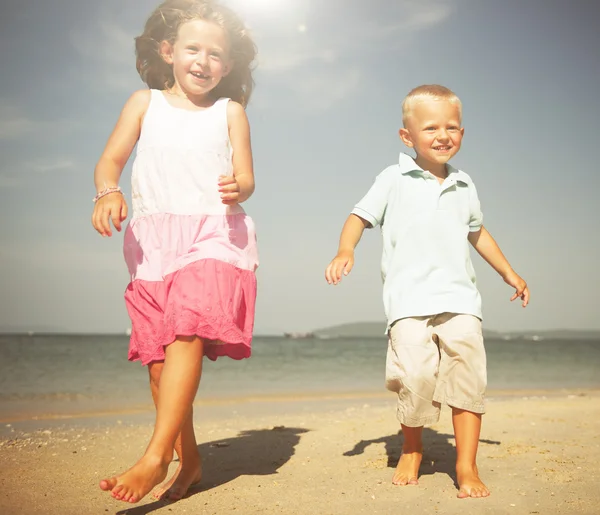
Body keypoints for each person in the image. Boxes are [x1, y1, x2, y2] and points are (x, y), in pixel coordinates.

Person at [324, 84, 529, 499]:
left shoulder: (465, 184)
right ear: (408, 137)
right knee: (415, 377)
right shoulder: (393, 177)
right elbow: (358, 216)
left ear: (462, 133)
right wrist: (346, 250)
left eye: (452, 126)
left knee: (468, 380)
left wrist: (509, 271)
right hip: (407, 302)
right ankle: (413, 447)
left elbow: (478, 232)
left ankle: (466, 465)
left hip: (460, 300)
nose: (443, 135)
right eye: (431, 127)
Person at [91, 0, 258, 504]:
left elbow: (248, 177)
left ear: (227, 66)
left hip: (215, 236)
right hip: (152, 243)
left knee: (188, 327)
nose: (202, 61)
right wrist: (108, 192)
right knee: (160, 366)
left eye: (215, 54)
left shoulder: (231, 112)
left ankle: (156, 456)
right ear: (168, 52)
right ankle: (190, 459)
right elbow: (110, 160)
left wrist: (239, 188)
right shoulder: (144, 104)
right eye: (192, 49)